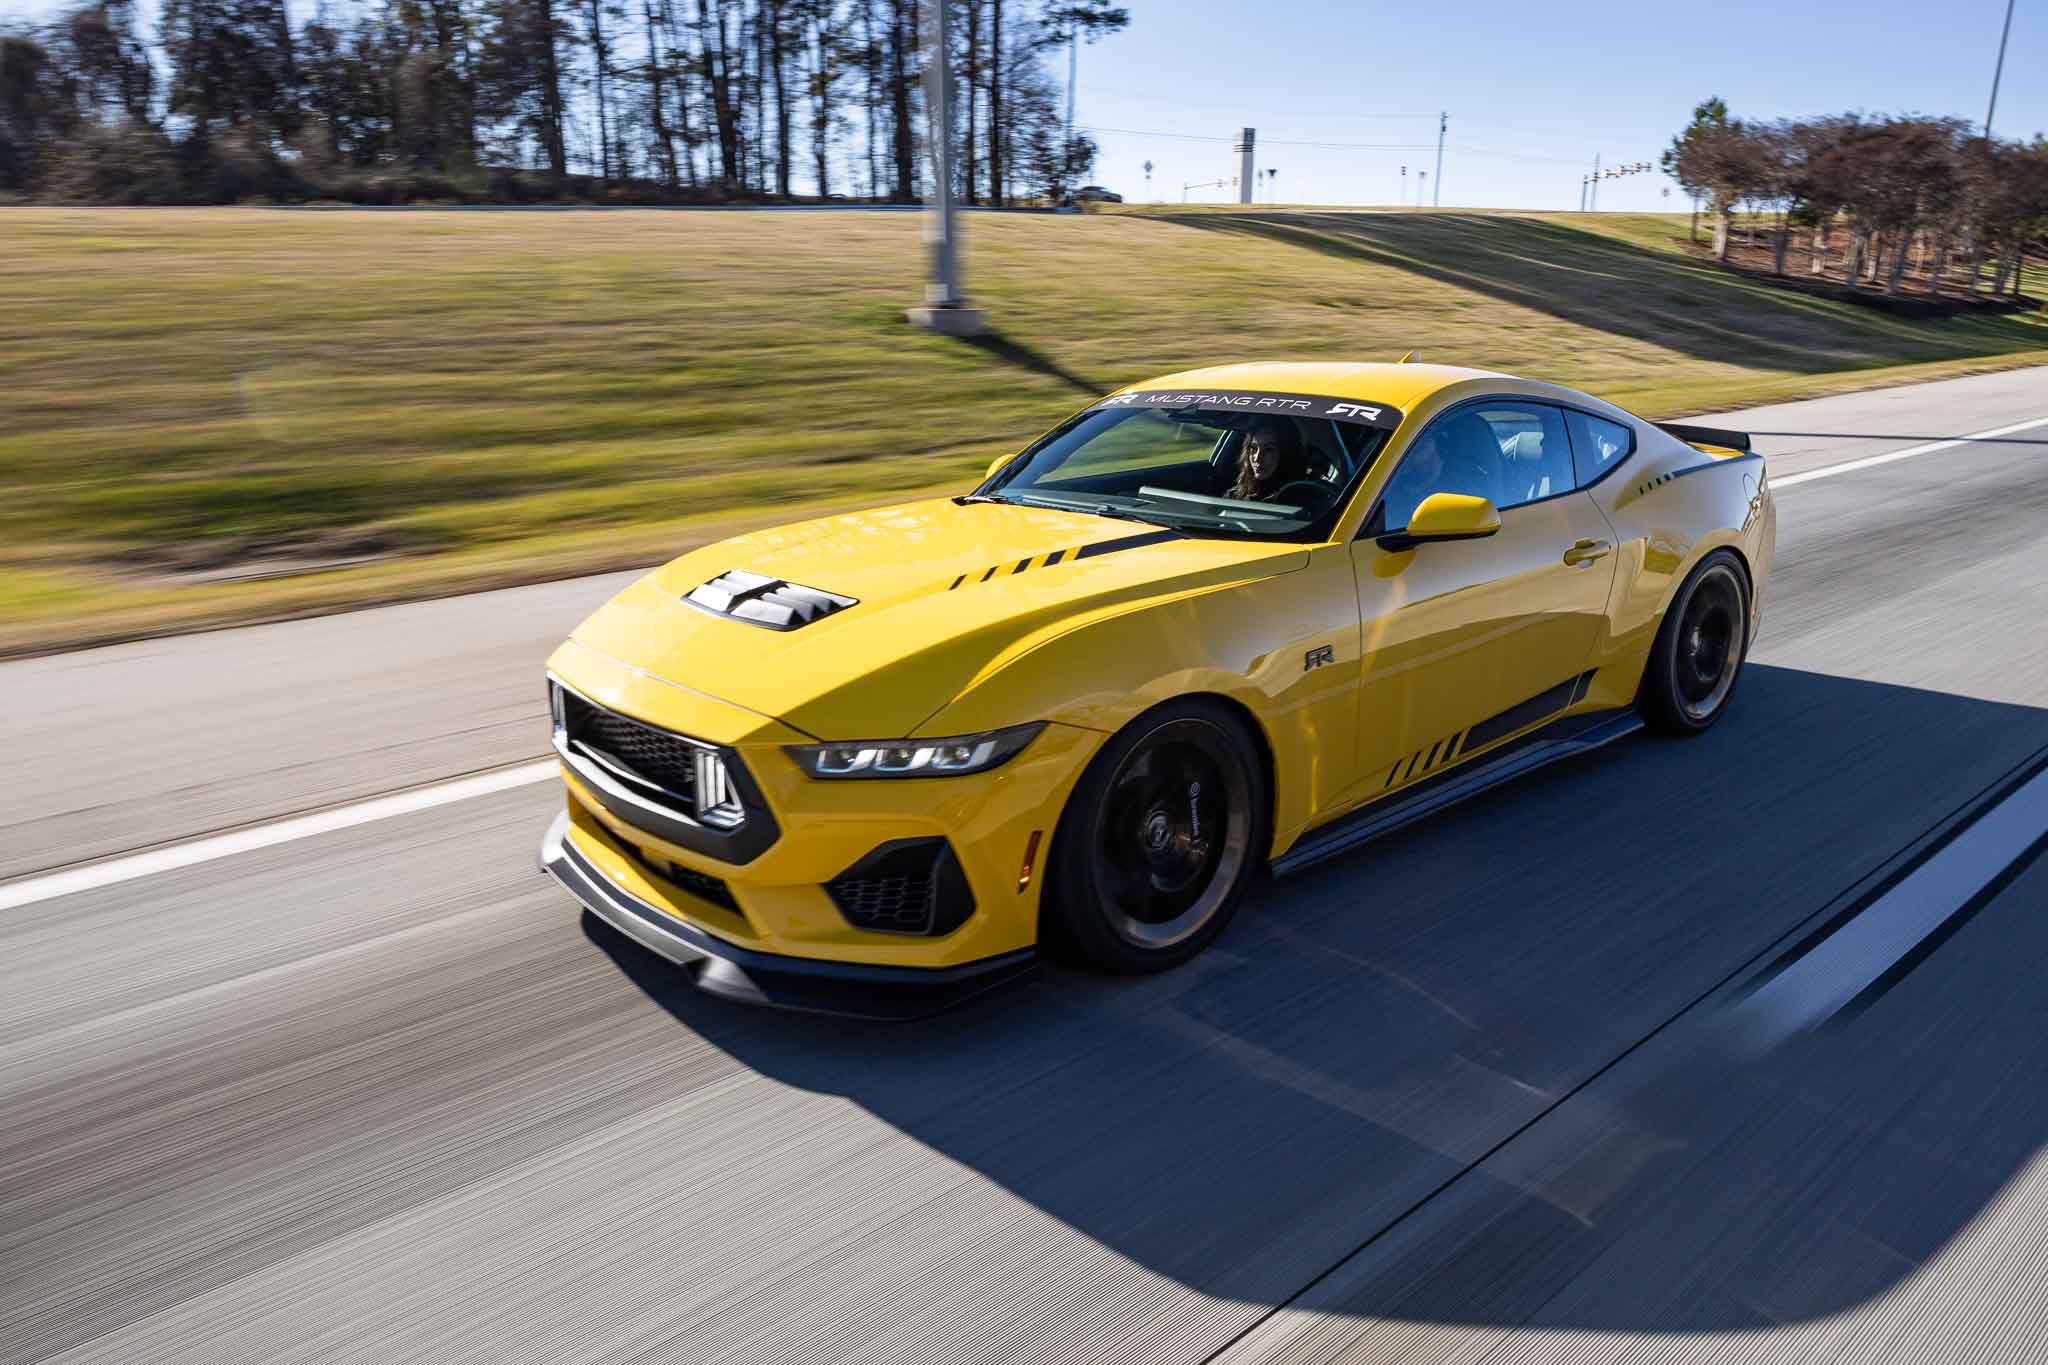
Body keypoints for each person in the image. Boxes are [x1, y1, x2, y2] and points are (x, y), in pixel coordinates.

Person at [1227, 418, 1305, 502]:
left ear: (1285, 453)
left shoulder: (1299, 499)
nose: (1257, 458)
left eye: (1269, 449)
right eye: (1253, 448)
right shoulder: (1234, 496)